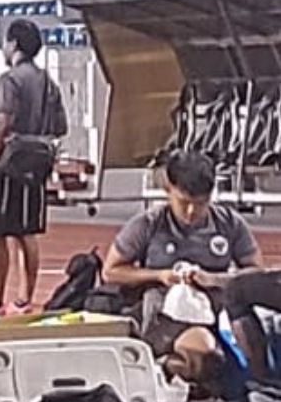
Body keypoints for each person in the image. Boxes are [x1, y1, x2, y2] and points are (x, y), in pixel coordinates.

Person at [102, 150, 262, 384]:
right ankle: (164, 365)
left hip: (218, 312)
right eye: (183, 202)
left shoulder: (229, 224)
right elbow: (111, 271)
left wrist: (214, 279)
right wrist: (160, 275)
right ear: (168, 189)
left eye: (200, 204)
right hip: (165, 313)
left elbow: (256, 273)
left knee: (252, 352)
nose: (190, 212)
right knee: (204, 353)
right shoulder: (148, 224)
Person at [0, 19, 67, 319]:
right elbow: (61, 126)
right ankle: (24, 300)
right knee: (26, 233)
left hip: (10, 163)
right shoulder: (49, 82)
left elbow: (3, 121)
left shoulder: (9, 80)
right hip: (37, 165)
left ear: (14, 45)